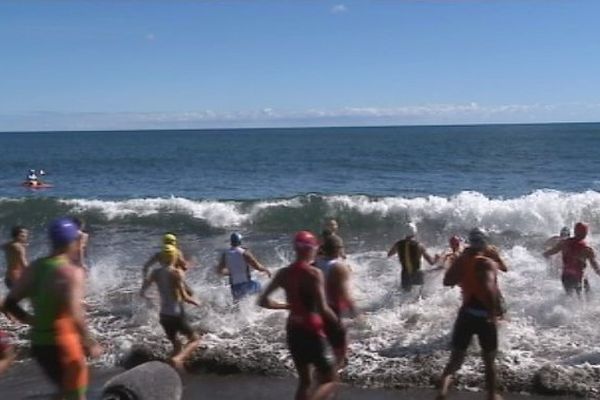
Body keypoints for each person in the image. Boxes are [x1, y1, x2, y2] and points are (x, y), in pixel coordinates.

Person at [2, 217, 102, 400]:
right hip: (65, 343)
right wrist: (90, 342)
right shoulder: (71, 272)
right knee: (77, 396)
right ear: (73, 241)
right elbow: (74, 313)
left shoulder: (36, 267)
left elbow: (9, 303)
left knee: (64, 392)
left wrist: (31, 320)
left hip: (39, 344)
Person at [258, 231, 340, 400]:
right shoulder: (314, 274)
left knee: (305, 381)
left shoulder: (283, 273)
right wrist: (339, 326)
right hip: (312, 331)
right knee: (330, 380)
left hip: (293, 331)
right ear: (311, 249)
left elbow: (263, 301)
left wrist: (288, 305)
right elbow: (323, 308)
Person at [437, 228, 506, 400]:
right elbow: (490, 289)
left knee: (455, 360)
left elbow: (447, 281)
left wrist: (460, 263)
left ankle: (442, 392)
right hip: (484, 315)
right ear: (484, 243)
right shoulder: (486, 262)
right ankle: (491, 395)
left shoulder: (462, 260)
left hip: (466, 312)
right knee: (489, 360)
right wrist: (492, 314)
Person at [140, 244, 201, 370]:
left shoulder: (155, 273)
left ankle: (168, 369)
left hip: (163, 315)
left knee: (177, 345)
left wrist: (150, 298)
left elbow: (143, 292)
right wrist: (196, 302)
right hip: (176, 314)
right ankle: (179, 359)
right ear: (174, 257)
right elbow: (184, 296)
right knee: (195, 339)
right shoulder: (176, 273)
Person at [314, 234, 358, 368]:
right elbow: (345, 293)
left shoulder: (316, 262)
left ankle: (331, 362)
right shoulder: (337, 266)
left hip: (317, 306)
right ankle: (337, 368)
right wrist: (355, 311)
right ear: (338, 249)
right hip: (332, 306)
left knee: (328, 335)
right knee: (339, 334)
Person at [543, 222, 600, 298]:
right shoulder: (587, 249)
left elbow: (547, 253)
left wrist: (548, 260)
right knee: (587, 298)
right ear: (585, 233)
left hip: (565, 277)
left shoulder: (564, 243)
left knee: (570, 299)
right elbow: (596, 268)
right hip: (579, 278)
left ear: (575, 231)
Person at [217, 233, 271, 301]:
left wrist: (232, 271)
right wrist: (266, 270)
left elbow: (220, 271)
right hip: (246, 284)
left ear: (231, 242)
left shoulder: (225, 254)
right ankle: (261, 309)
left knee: (237, 304)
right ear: (240, 241)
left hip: (234, 286)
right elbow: (257, 267)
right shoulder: (245, 253)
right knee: (260, 288)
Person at [387, 222, 437, 292]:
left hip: (405, 275)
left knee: (405, 298)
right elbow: (431, 262)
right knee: (418, 298)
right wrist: (437, 258)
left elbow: (389, 254)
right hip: (417, 274)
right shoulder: (419, 246)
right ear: (414, 232)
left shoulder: (398, 244)